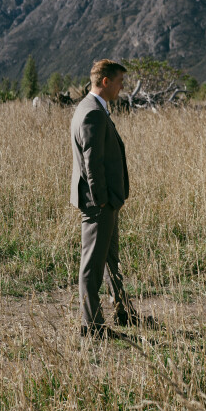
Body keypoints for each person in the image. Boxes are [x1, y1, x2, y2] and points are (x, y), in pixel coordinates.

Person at [70, 59, 144, 337]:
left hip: (106, 201)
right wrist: (101, 200)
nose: (122, 87)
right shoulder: (93, 113)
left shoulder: (90, 107)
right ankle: (92, 326)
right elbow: (92, 163)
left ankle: (124, 311)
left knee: (112, 260)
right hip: (98, 203)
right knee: (92, 265)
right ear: (105, 82)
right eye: (119, 81)